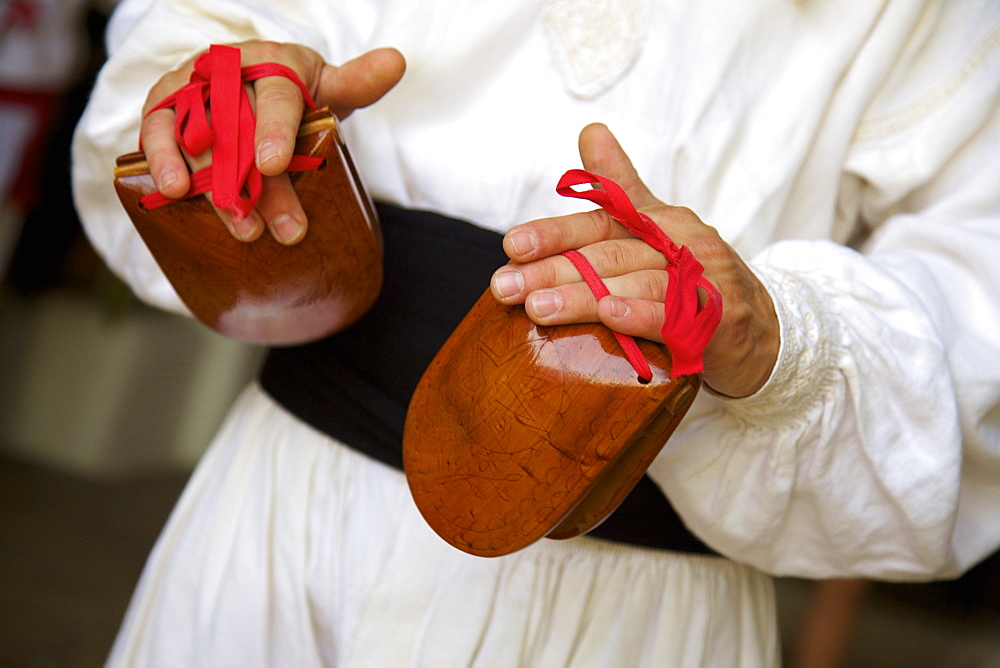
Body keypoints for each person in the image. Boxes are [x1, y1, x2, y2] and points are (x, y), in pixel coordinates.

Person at [71, 0, 1000, 665]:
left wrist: (773, 341)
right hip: (281, 530)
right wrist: (224, 110)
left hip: (635, 618)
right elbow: (198, 32)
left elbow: (978, 311)